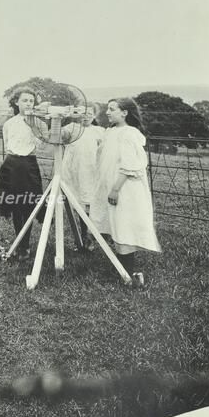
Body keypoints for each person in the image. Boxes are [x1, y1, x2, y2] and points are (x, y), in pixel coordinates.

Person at [90, 97, 161, 286]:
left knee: (124, 225)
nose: (107, 112)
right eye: (108, 108)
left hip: (124, 189)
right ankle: (120, 268)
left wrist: (115, 189)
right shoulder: (111, 132)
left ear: (125, 113)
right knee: (114, 224)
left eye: (112, 109)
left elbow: (130, 166)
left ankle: (128, 274)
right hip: (111, 186)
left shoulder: (129, 134)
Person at [0, 87, 45, 262]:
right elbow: (8, 145)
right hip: (12, 166)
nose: (28, 103)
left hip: (29, 166)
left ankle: (25, 246)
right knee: (15, 206)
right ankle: (19, 242)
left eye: (31, 100)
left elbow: (42, 146)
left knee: (28, 205)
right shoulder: (9, 124)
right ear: (16, 102)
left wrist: (34, 126)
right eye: (24, 100)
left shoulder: (40, 123)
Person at [61, 105, 104, 251]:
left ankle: (90, 238)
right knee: (78, 204)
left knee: (90, 204)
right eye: (83, 113)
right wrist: (65, 116)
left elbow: (103, 151)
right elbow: (59, 136)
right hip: (74, 171)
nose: (86, 116)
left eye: (90, 113)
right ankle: (81, 238)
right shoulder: (72, 127)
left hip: (91, 172)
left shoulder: (99, 131)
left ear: (94, 116)